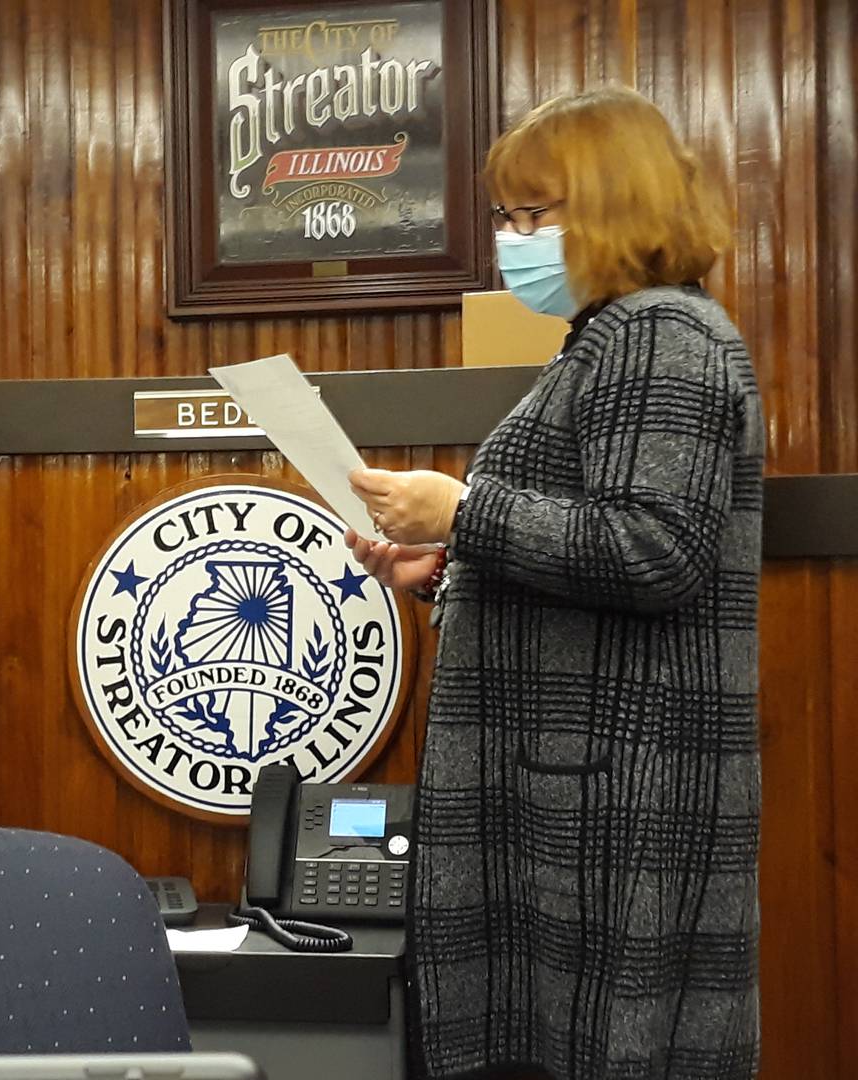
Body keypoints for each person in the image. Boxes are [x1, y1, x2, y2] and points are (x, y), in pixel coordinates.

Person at [345, 87, 762, 1080]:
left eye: (537, 214)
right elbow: (594, 553)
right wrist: (444, 571)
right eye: (507, 216)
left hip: (613, 804)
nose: (514, 238)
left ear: (620, 204)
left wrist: (464, 514)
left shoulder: (660, 334)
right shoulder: (619, 335)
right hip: (581, 793)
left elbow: (657, 550)